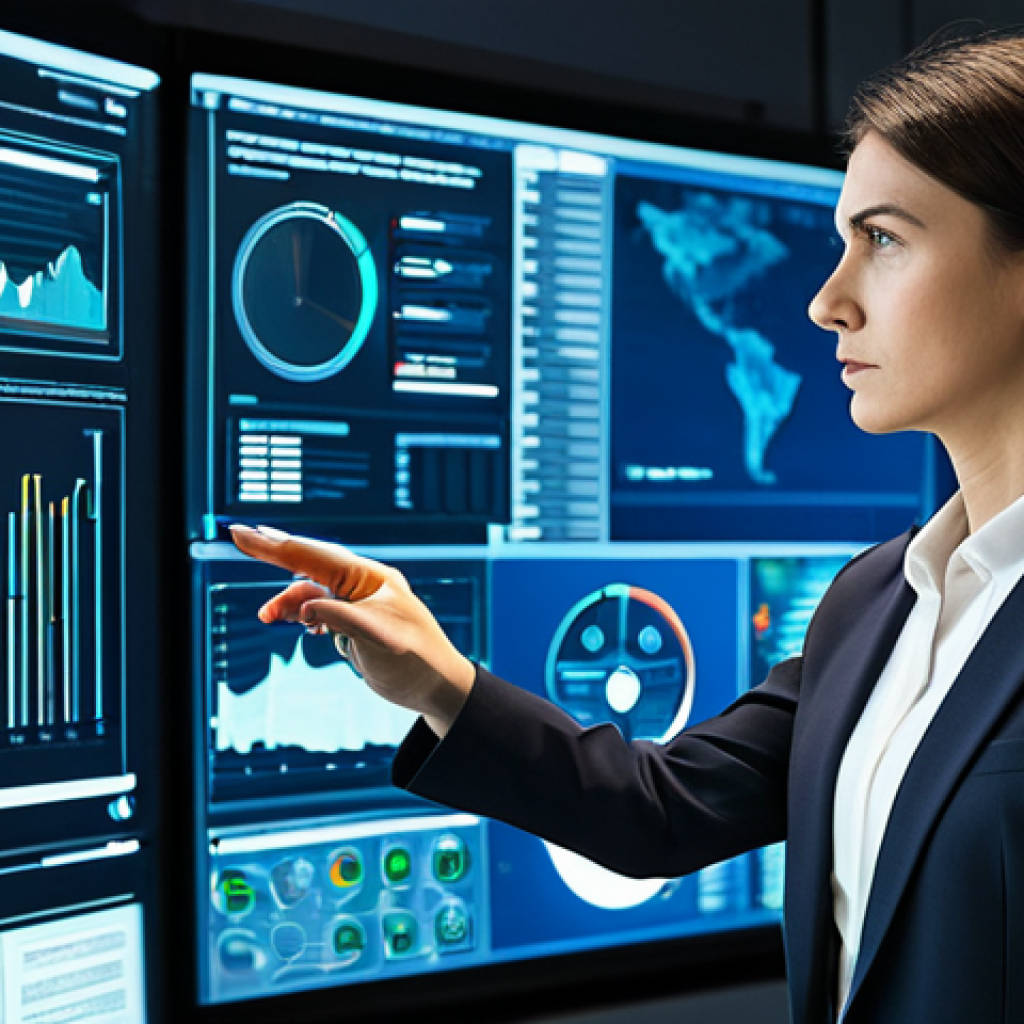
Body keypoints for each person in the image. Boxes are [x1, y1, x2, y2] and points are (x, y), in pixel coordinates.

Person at [230, 27, 1024, 1024]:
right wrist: (439, 679)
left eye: (884, 239)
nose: (827, 302)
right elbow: (658, 812)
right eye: (840, 243)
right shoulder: (877, 597)